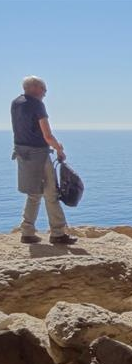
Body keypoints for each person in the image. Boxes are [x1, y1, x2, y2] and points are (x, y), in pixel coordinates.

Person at [11, 76, 77, 245]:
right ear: (34, 88)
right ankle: (57, 233)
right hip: (39, 155)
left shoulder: (15, 103)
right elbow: (47, 135)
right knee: (51, 194)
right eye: (44, 89)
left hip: (22, 153)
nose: (45, 94)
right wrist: (59, 149)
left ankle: (27, 232)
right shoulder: (36, 104)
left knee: (33, 193)